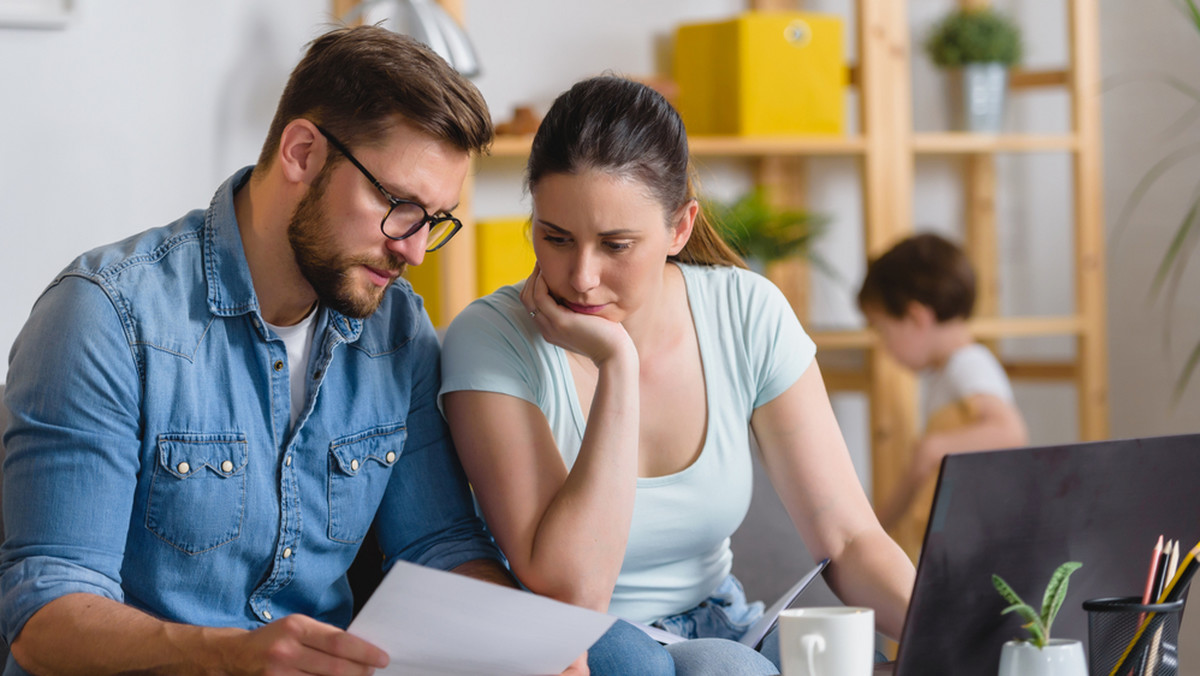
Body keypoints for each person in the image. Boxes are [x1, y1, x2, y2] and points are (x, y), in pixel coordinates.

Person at [0, 27, 653, 676]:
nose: (414, 250)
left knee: (616, 656)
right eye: (400, 206)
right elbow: (44, 615)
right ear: (303, 153)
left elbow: (437, 545)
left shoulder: (396, 329)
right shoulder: (107, 315)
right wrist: (229, 658)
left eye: (436, 220)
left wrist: (524, 645)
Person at [439, 75, 916, 674]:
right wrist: (617, 366)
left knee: (835, 663)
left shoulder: (747, 311)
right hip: (572, 635)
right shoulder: (490, 339)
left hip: (720, 619)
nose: (581, 276)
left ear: (680, 227)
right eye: (556, 237)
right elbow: (567, 589)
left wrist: (963, 634)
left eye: (616, 245)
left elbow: (848, 539)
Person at [857, 232, 1028, 557]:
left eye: (883, 330)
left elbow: (1009, 431)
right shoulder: (947, 372)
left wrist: (932, 448)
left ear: (916, 316)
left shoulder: (968, 363)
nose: (884, 346)